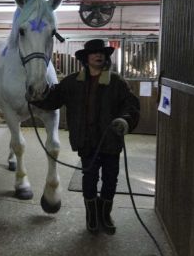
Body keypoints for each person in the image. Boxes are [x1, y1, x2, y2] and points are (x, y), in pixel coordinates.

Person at [30, 39, 140, 235]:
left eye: (102, 53)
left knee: (110, 179)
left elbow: (130, 106)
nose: (99, 55)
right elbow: (53, 99)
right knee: (89, 178)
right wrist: (35, 96)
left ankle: (104, 215)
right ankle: (91, 215)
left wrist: (125, 120)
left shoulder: (117, 82)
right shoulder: (72, 82)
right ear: (86, 58)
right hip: (86, 140)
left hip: (110, 141)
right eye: (94, 53)